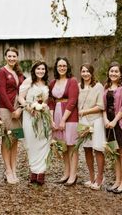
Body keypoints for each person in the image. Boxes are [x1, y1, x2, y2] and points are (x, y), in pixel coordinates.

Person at [18, 60, 51, 185]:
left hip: (43, 116)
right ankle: (33, 170)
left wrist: (43, 108)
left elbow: (48, 101)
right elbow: (20, 97)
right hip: (29, 116)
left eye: (43, 69)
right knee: (31, 143)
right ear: (34, 70)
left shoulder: (47, 84)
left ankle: (41, 172)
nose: (40, 71)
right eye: (38, 69)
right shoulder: (28, 82)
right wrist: (28, 107)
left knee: (44, 141)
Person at [103, 61, 122, 194]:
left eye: (116, 71)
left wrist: (115, 121)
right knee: (114, 153)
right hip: (108, 124)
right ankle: (117, 181)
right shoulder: (106, 86)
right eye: (111, 71)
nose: (113, 73)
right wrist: (105, 120)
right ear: (108, 72)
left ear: (121, 73)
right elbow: (103, 106)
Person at [49, 57, 79, 186]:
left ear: (67, 67)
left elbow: (72, 101)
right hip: (56, 114)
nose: (62, 68)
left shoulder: (72, 81)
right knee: (63, 146)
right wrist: (52, 120)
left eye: (64, 66)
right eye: (59, 66)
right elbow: (50, 102)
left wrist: (63, 120)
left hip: (69, 116)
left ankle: (73, 175)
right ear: (56, 67)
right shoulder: (52, 83)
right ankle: (66, 173)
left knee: (72, 146)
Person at [0, 47, 24, 184]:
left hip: (17, 109)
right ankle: (7, 170)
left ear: (17, 58)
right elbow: (2, 92)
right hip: (6, 109)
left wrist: (20, 108)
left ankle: (14, 169)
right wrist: (11, 109)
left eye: (14, 56)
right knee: (7, 139)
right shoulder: (2, 71)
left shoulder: (18, 73)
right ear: (5, 57)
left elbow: (22, 92)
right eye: (9, 56)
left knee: (15, 140)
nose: (12, 58)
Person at [78, 63, 105, 190]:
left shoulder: (98, 86)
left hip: (96, 121)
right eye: (83, 71)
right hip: (83, 122)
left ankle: (100, 178)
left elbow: (100, 106)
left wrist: (85, 111)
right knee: (87, 149)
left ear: (92, 73)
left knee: (98, 148)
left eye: (88, 71)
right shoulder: (79, 87)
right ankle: (91, 177)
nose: (85, 73)